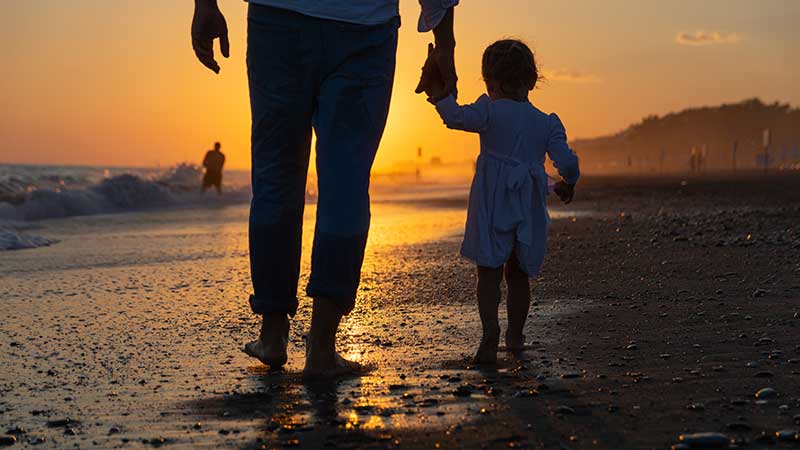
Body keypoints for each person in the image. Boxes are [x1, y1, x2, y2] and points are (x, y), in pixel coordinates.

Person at [190, 0, 459, 379]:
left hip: (278, 21)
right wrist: (444, 43)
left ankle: (272, 335)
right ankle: (321, 348)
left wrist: (205, 4)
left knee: (275, 178)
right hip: (365, 27)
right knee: (345, 183)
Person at [422, 39, 580, 364]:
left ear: (490, 82)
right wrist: (567, 182)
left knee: (489, 271)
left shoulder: (488, 111)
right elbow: (565, 161)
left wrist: (439, 93)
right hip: (528, 203)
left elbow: (455, 117)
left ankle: (490, 333)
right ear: (532, 80)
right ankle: (516, 336)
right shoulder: (547, 122)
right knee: (519, 273)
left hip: (492, 201)